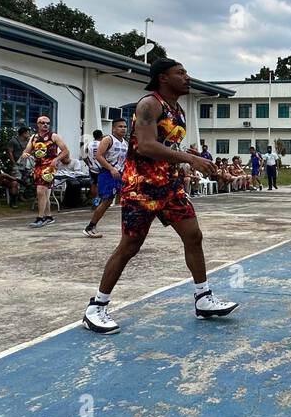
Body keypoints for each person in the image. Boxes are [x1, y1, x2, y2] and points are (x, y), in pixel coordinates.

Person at [82, 59, 237, 333]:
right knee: (130, 247)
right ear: (163, 78)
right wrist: (190, 158)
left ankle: (203, 298)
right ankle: (97, 306)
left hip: (169, 186)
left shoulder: (177, 109)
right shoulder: (149, 104)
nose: (187, 77)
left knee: (193, 235)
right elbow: (146, 146)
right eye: (181, 73)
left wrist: (205, 165)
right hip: (141, 187)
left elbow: (169, 148)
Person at [84, 118, 128, 238]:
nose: (123, 128)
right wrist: (111, 168)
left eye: (125, 126)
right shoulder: (108, 139)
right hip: (107, 174)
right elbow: (99, 156)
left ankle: (128, 227)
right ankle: (90, 226)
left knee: (127, 199)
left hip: (120, 174)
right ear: (113, 128)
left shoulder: (125, 142)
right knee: (107, 201)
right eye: (120, 126)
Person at [26, 114, 70, 228]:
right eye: (43, 123)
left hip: (49, 167)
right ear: (38, 124)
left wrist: (56, 159)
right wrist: (25, 154)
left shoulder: (54, 136)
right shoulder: (34, 137)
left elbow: (65, 151)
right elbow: (27, 150)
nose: (46, 125)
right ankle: (49, 216)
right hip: (38, 166)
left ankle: (40, 218)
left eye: (48, 123)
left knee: (40, 190)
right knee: (44, 193)